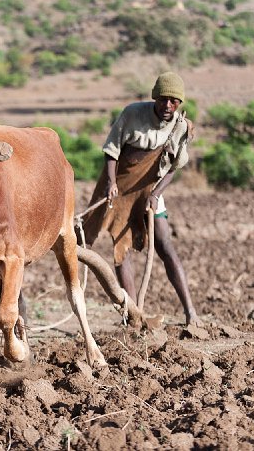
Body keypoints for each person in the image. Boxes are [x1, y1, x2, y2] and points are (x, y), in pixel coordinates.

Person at [81, 71, 200, 325]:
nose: (168, 106)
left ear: (179, 103)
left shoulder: (180, 126)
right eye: (163, 99)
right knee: (121, 251)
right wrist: (111, 183)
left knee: (166, 247)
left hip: (152, 190)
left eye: (174, 101)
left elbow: (174, 167)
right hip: (120, 191)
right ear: (155, 98)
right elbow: (111, 152)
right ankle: (131, 316)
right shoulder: (132, 114)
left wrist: (156, 195)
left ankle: (191, 313)